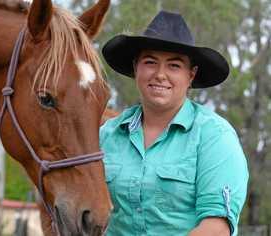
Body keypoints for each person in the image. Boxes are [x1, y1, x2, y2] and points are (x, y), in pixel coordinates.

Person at [100, 10, 248, 236]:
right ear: (136, 67)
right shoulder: (106, 136)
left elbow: (216, 227)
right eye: (150, 62)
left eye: (174, 66)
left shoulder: (215, 136)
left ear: (191, 75)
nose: (160, 74)